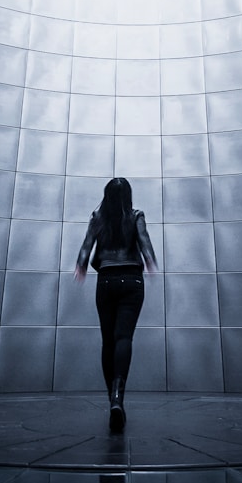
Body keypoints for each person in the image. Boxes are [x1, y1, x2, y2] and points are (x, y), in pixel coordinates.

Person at [74, 177, 157, 432]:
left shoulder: (98, 218)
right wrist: (152, 263)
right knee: (124, 339)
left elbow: (86, 246)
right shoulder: (136, 215)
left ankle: (112, 398)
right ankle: (118, 398)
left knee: (108, 341)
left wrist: (81, 267)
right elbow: (144, 243)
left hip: (106, 281)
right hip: (132, 280)